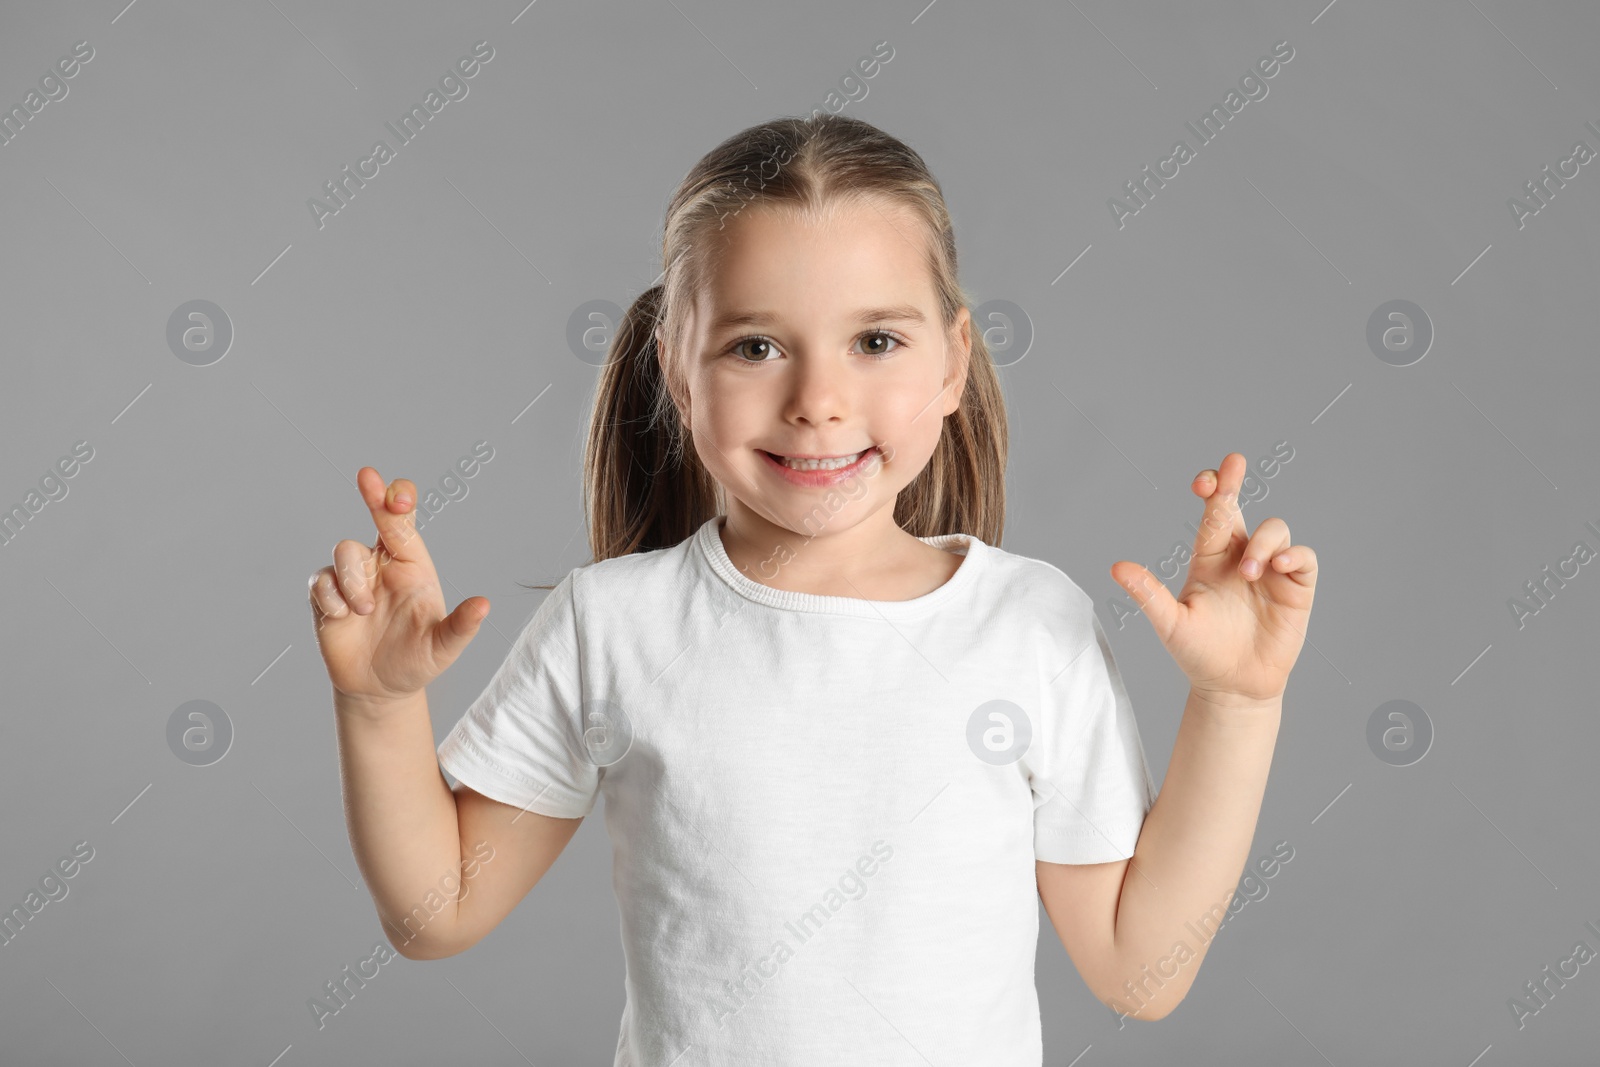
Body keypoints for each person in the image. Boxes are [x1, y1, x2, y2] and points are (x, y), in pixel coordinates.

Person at [307, 112, 1318, 1065]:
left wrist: (1236, 701)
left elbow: (1138, 971)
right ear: (676, 370)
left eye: (875, 340)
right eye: (756, 346)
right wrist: (380, 704)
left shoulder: (1031, 626)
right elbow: (434, 912)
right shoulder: (611, 623)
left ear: (954, 363)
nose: (818, 401)